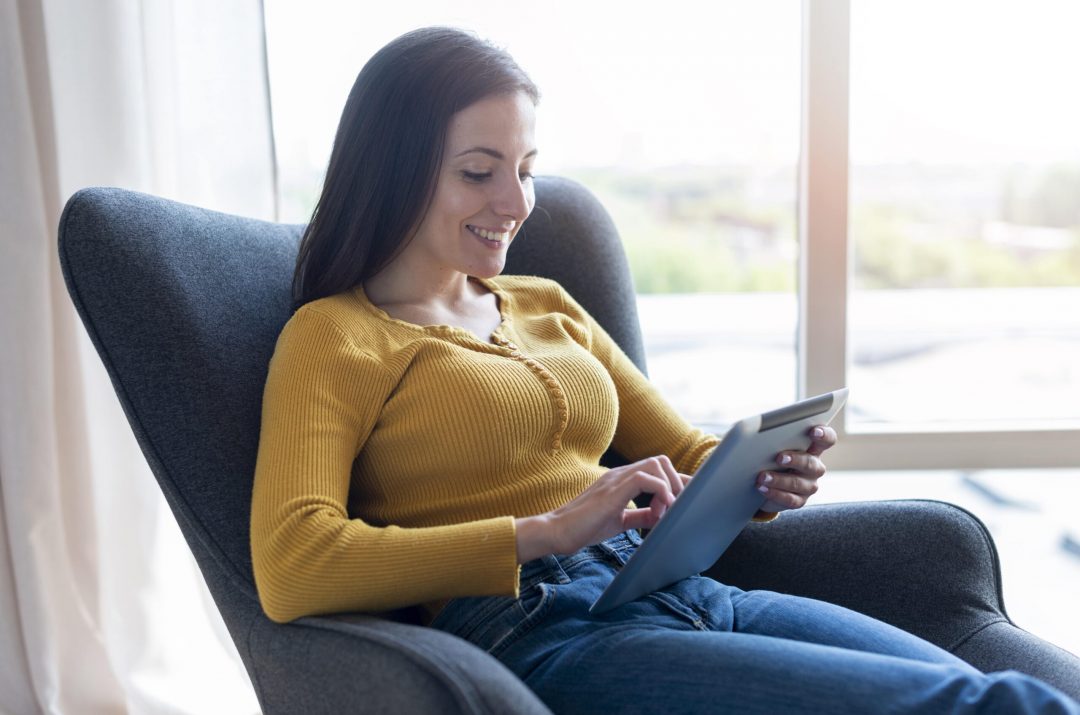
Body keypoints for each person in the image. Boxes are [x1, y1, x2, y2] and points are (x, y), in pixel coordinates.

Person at [250, 26, 1080, 714]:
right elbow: (294, 565)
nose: (515, 203)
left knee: (995, 693)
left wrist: (760, 472)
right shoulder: (337, 338)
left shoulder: (542, 302)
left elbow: (685, 449)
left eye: (526, 169)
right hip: (542, 630)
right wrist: (554, 529)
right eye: (479, 171)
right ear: (395, 166)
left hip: (683, 590)